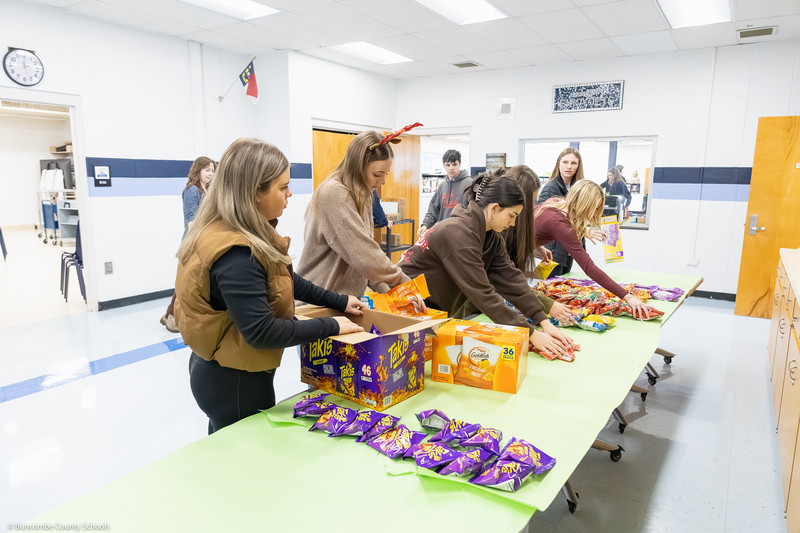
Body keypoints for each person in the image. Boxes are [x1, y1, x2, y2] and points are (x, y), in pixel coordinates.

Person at [174, 138, 364, 434]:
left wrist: (338, 300)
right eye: (282, 186)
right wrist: (332, 325)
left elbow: (283, 279)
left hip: (226, 366)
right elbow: (263, 332)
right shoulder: (236, 253)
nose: (290, 194)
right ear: (254, 192)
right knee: (241, 461)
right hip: (233, 382)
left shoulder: (238, 230)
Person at [400, 172, 573, 356]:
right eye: (512, 215)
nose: (513, 223)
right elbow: (483, 293)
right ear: (494, 208)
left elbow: (511, 279)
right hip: (403, 308)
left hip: (430, 312)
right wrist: (530, 332)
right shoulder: (458, 234)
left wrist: (543, 321)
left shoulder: (490, 237)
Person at [297, 130, 412, 296]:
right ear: (358, 166)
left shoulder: (362, 194)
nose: (383, 181)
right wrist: (402, 282)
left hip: (342, 302)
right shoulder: (334, 193)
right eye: (377, 174)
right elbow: (364, 255)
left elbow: (361, 259)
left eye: (385, 174)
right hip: (318, 302)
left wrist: (388, 293)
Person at [534, 180, 655, 319]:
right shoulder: (560, 224)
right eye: (593, 208)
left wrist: (537, 246)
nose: (593, 214)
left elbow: (530, 226)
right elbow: (589, 267)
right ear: (584, 205)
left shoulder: (555, 201)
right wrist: (628, 297)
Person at [501, 165, 577, 326]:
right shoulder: (499, 229)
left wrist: (536, 246)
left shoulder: (515, 221)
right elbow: (505, 279)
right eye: (531, 199)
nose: (533, 205)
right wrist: (546, 310)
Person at [160, 156, 215, 333]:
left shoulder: (207, 191)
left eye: (212, 170)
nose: (210, 173)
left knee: (195, 282)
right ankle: (170, 315)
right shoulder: (192, 191)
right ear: (198, 170)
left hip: (205, 240)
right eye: (207, 170)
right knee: (186, 281)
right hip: (193, 242)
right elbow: (191, 221)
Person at [536, 148, 585, 277]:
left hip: (566, 250)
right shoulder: (551, 187)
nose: (569, 167)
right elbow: (544, 221)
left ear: (579, 166)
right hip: (551, 251)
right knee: (549, 289)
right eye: (565, 162)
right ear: (558, 163)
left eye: (574, 163)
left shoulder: (577, 188)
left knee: (563, 287)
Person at [418, 149, 472, 239]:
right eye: (448, 165)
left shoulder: (469, 184)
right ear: (444, 166)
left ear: (460, 164)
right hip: (444, 235)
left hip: (462, 236)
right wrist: (425, 224)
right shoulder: (442, 186)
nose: (451, 168)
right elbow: (433, 210)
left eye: (454, 164)